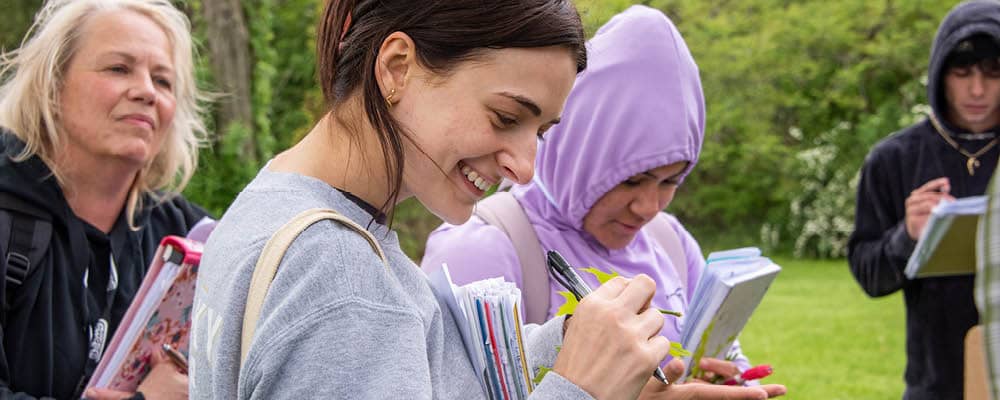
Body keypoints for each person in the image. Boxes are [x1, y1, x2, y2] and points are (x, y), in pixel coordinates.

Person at [189, 1, 780, 399]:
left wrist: (577, 355)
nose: (524, 167)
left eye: (541, 133)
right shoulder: (341, 274)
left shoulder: (276, 201)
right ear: (396, 68)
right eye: (505, 116)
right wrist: (580, 388)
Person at [420, 5, 785, 397]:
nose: (648, 207)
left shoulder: (671, 242)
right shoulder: (482, 247)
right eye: (631, 180)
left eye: (670, 181)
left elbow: (724, 352)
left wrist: (724, 380)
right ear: (582, 151)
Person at [0, 0, 211, 398]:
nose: (147, 91)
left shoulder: (193, 241)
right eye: (118, 68)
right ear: (52, 84)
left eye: (163, 81)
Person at [847, 1, 1000, 398]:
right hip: (935, 383)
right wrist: (908, 234)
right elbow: (869, 275)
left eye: (994, 74)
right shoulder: (894, 159)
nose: (977, 90)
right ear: (939, 74)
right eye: (962, 73)